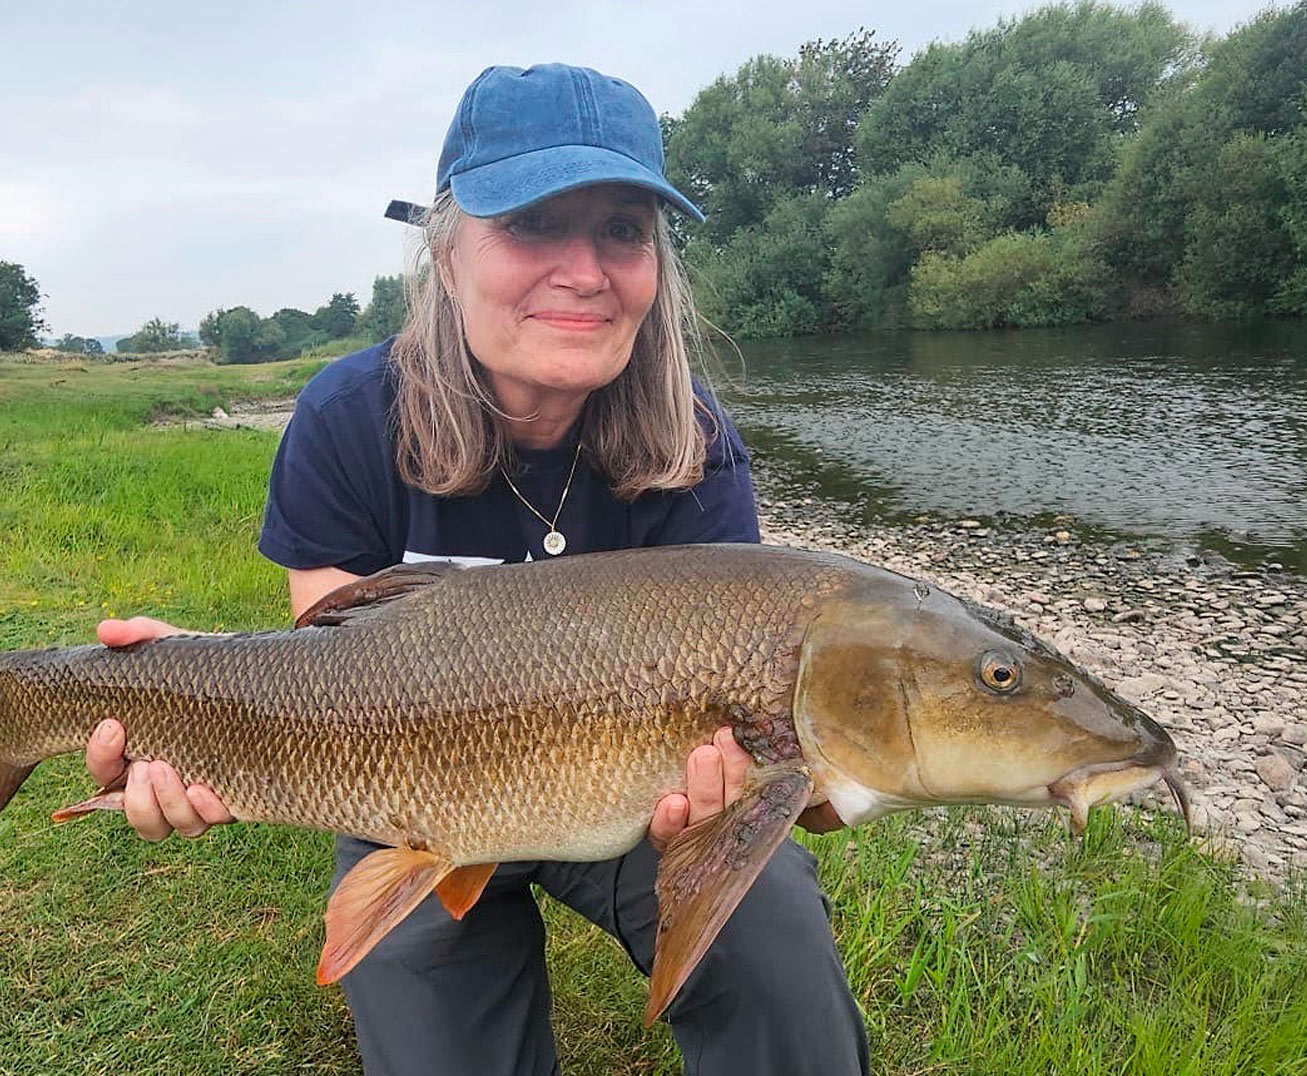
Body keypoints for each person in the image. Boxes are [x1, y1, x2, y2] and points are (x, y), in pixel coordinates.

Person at [85, 63, 870, 1075]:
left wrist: (768, 787)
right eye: (536, 224)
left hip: (640, 801)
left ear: (656, 265)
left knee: (777, 954)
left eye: (624, 229)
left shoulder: (694, 437)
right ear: (446, 255)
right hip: (408, 791)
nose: (585, 270)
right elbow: (327, 685)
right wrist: (187, 700)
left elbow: (783, 746)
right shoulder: (347, 417)